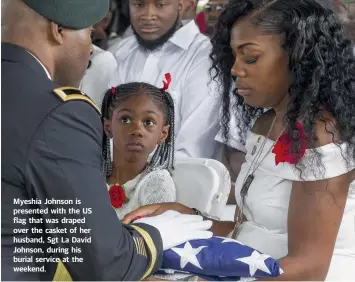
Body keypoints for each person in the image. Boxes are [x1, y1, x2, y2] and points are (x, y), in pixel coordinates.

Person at [123, 0, 355, 280]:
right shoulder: (265, 124)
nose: (234, 69)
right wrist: (187, 217)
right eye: (233, 56)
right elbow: (247, 233)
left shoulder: (321, 134)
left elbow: (309, 269)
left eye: (251, 58)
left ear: (299, 57)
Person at [1, 0, 213, 280]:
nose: (91, 49)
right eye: (89, 33)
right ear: (58, 30)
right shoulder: (60, 112)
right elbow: (104, 264)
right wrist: (154, 236)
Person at [108, 0, 221, 159]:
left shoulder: (205, 58)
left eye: (160, 5)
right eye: (138, 5)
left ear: (180, 6)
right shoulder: (120, 52)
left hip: (178, 178)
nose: (147, 16)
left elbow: (193, 150)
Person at [101, 82, 177, 219]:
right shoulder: (93, 174)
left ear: (163, 134)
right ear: (108, 127)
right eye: (125, 119)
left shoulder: (157, 182)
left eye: (148, 122)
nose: (136, 130)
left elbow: (151, 235)